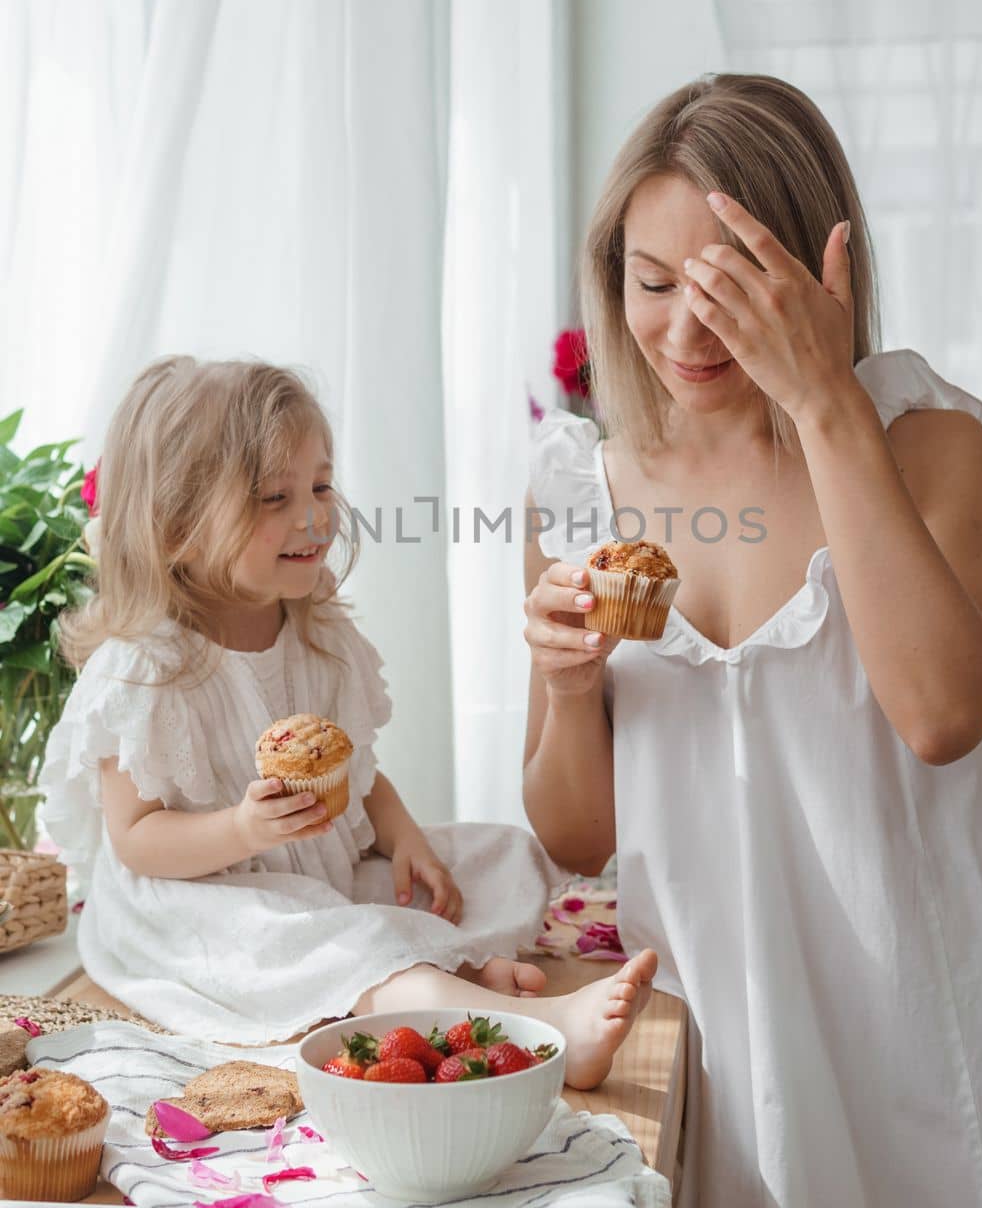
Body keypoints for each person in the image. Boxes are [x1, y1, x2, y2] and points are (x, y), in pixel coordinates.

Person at [522, 73, 982, 1208]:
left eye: (726, 285)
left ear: (818, 266)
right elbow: (575, 836)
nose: (683, 330)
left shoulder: (925, 438)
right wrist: (565, 685)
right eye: (652, 284)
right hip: (722, 1051)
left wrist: (823, 400)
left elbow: (940, 714)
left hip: (931, 1026)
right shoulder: (576, 486)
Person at [41, 354, 656, 1080]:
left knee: (496, 855)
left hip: (311, 875)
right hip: (199, 905)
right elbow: (137, 840)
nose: (315, 515)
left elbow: (357, 773)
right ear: (176, 527)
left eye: (321, 485)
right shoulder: (144, 666)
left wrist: (403, 838)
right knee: (332, 939)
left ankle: (438, 982)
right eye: (274, 497)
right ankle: (540, 1028)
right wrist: (241, 830)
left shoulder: (316, 636)